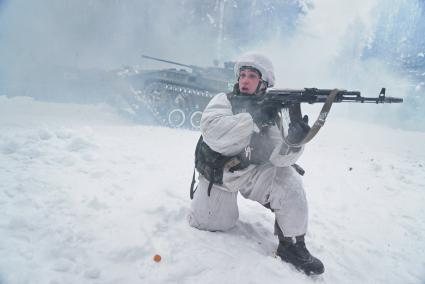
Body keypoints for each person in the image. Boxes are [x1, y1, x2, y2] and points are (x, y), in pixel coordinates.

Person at [188, 52, 324, 276]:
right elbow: (213, 132)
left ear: (264, 83)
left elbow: (280, 158)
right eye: (242, 75)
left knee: (289, 182)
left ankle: (292, 245)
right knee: (211, 223)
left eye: (252, 76)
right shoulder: (224, 101)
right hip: (221, 176)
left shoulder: (274, 112)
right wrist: (253, 119)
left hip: (253, 171)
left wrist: (295, 142)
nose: (244, 80)